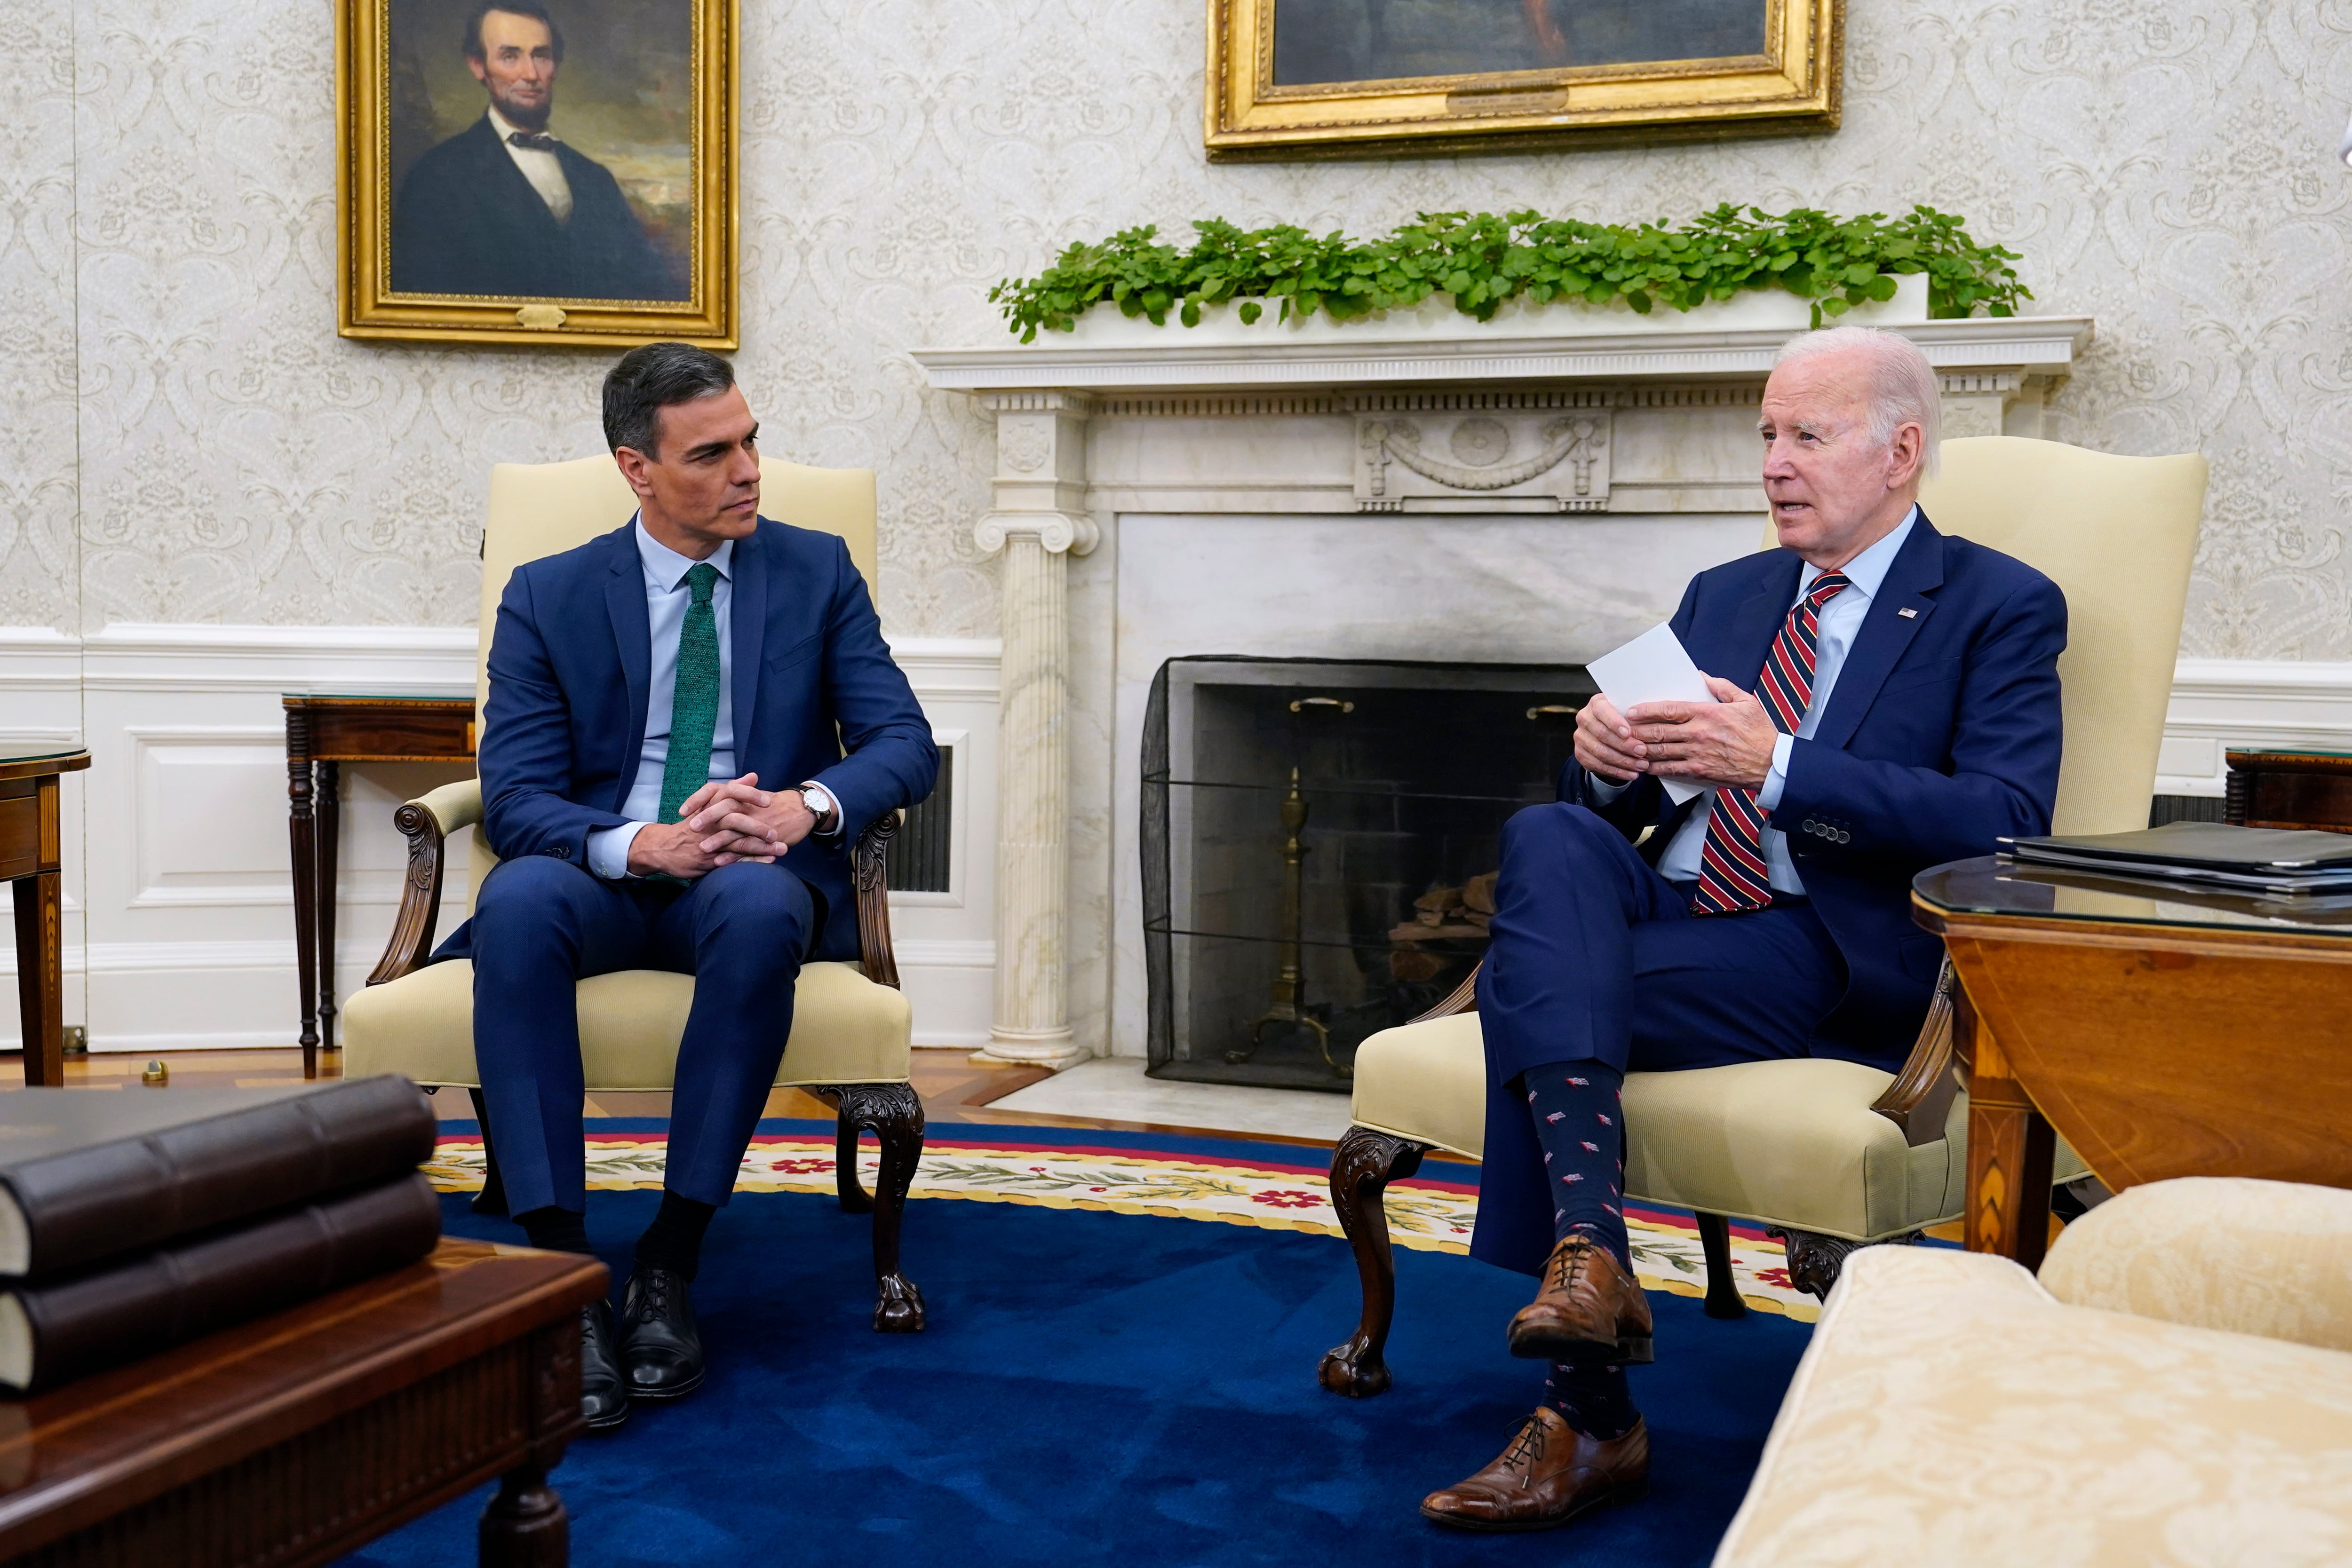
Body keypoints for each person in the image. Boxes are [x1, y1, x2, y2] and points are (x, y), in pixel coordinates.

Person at [1418, 326, 2066, 1531]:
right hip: (1684, 912)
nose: (1773, 461)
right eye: (1767, 434)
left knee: (1530, 989)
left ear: (1901, 451)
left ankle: (1586, 1405)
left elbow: (2006, 820)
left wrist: (1778, 766)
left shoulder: (1997, 604)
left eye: (1806, 436)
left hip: (1834, 949)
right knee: (1548, 837)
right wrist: (1606, 764)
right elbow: (1610, 823)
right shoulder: (1726, 594)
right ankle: (1593, 1268)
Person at [433, 342, 937, 1431]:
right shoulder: (549, 593)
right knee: (516, 898)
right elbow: (515, 795)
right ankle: (561, 1274)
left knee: (762, 905)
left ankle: (670, 1257)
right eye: (713, 453)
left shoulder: (817, 568)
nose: (750, 469)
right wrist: (637, 844)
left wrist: (802, 807)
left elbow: (904, 740)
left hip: (748, 875)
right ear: (638, 470)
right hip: (611, 869)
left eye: (752, 440)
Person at [391, 2, 678, 301]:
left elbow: (647, 289)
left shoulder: (596, 179)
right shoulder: (437, 175)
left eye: (541, 56)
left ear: (555, 66)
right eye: (510, 56)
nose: (530, 74)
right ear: (478, 66)